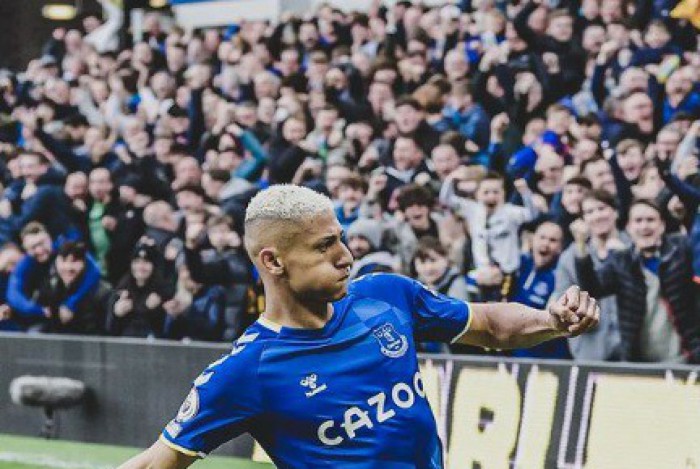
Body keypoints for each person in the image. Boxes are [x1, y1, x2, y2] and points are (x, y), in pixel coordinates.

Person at [119, 184, 599, 469]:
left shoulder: (386, 295)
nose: (345, 256)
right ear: (273, 261)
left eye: (341, 239)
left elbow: (490, 326)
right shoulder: (247, 371)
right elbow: (157, 462)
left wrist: (550, 320)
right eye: (324, 246)